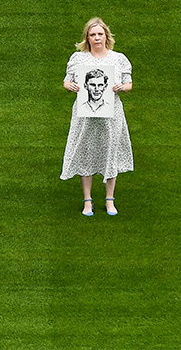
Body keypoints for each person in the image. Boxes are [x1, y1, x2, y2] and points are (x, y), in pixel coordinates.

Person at [60, 18, 133, 217]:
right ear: (87, 38)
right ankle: (87, 200)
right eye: (93, 35)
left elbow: (129, 84)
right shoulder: (78, 59)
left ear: (106, 36)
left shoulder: (119, 59)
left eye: (100, 34)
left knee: (111, 153)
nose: (97, 38)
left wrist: (121, 88)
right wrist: (71, 86)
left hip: (112, 116)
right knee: (86, 153)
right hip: (85, 117)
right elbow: (66, 82)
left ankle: (110, 199)